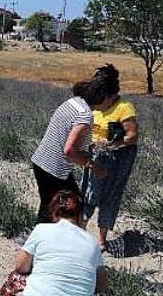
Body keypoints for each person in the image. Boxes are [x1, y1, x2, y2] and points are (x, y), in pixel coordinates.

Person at [31, 76, 109, 224]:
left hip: (42, 162)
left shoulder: (73, 102)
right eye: (111, 98)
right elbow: (69, 151)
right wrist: (93, 166)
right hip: (54, 170)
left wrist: (87, 147)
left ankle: (41, 241)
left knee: (54, 205)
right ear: (103, 97)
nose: (112, 103)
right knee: (58, 208)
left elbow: (64, 135)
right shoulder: (85, 116)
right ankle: (34, 244)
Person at [81, 64, 138, 253]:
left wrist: (109, 145)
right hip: (95, 157)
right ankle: (78, 234)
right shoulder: (95, 107)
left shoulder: (124, 108)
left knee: (110, 198)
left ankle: (101, 240)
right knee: (88, 195)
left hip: (117, 160)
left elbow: (132, 136)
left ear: (110, 95)